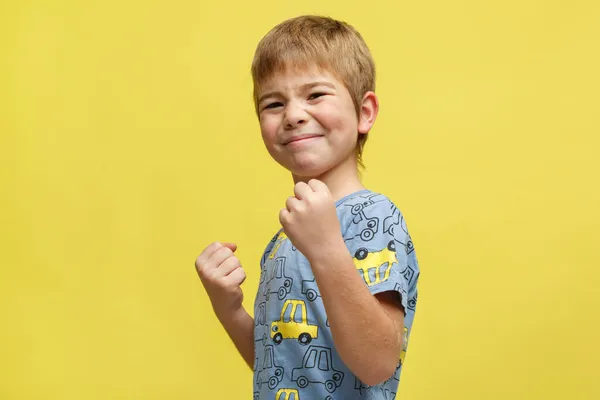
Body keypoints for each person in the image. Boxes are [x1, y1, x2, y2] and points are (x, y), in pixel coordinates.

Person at [195, 15, 420, 399]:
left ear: (364, 112)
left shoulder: (374, 216)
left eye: (315, 95)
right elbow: (283, 367)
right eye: (273, 103)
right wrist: (228, 309)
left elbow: (378, 363)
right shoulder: (285, 238)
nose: (293, 115)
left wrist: (327, 249)